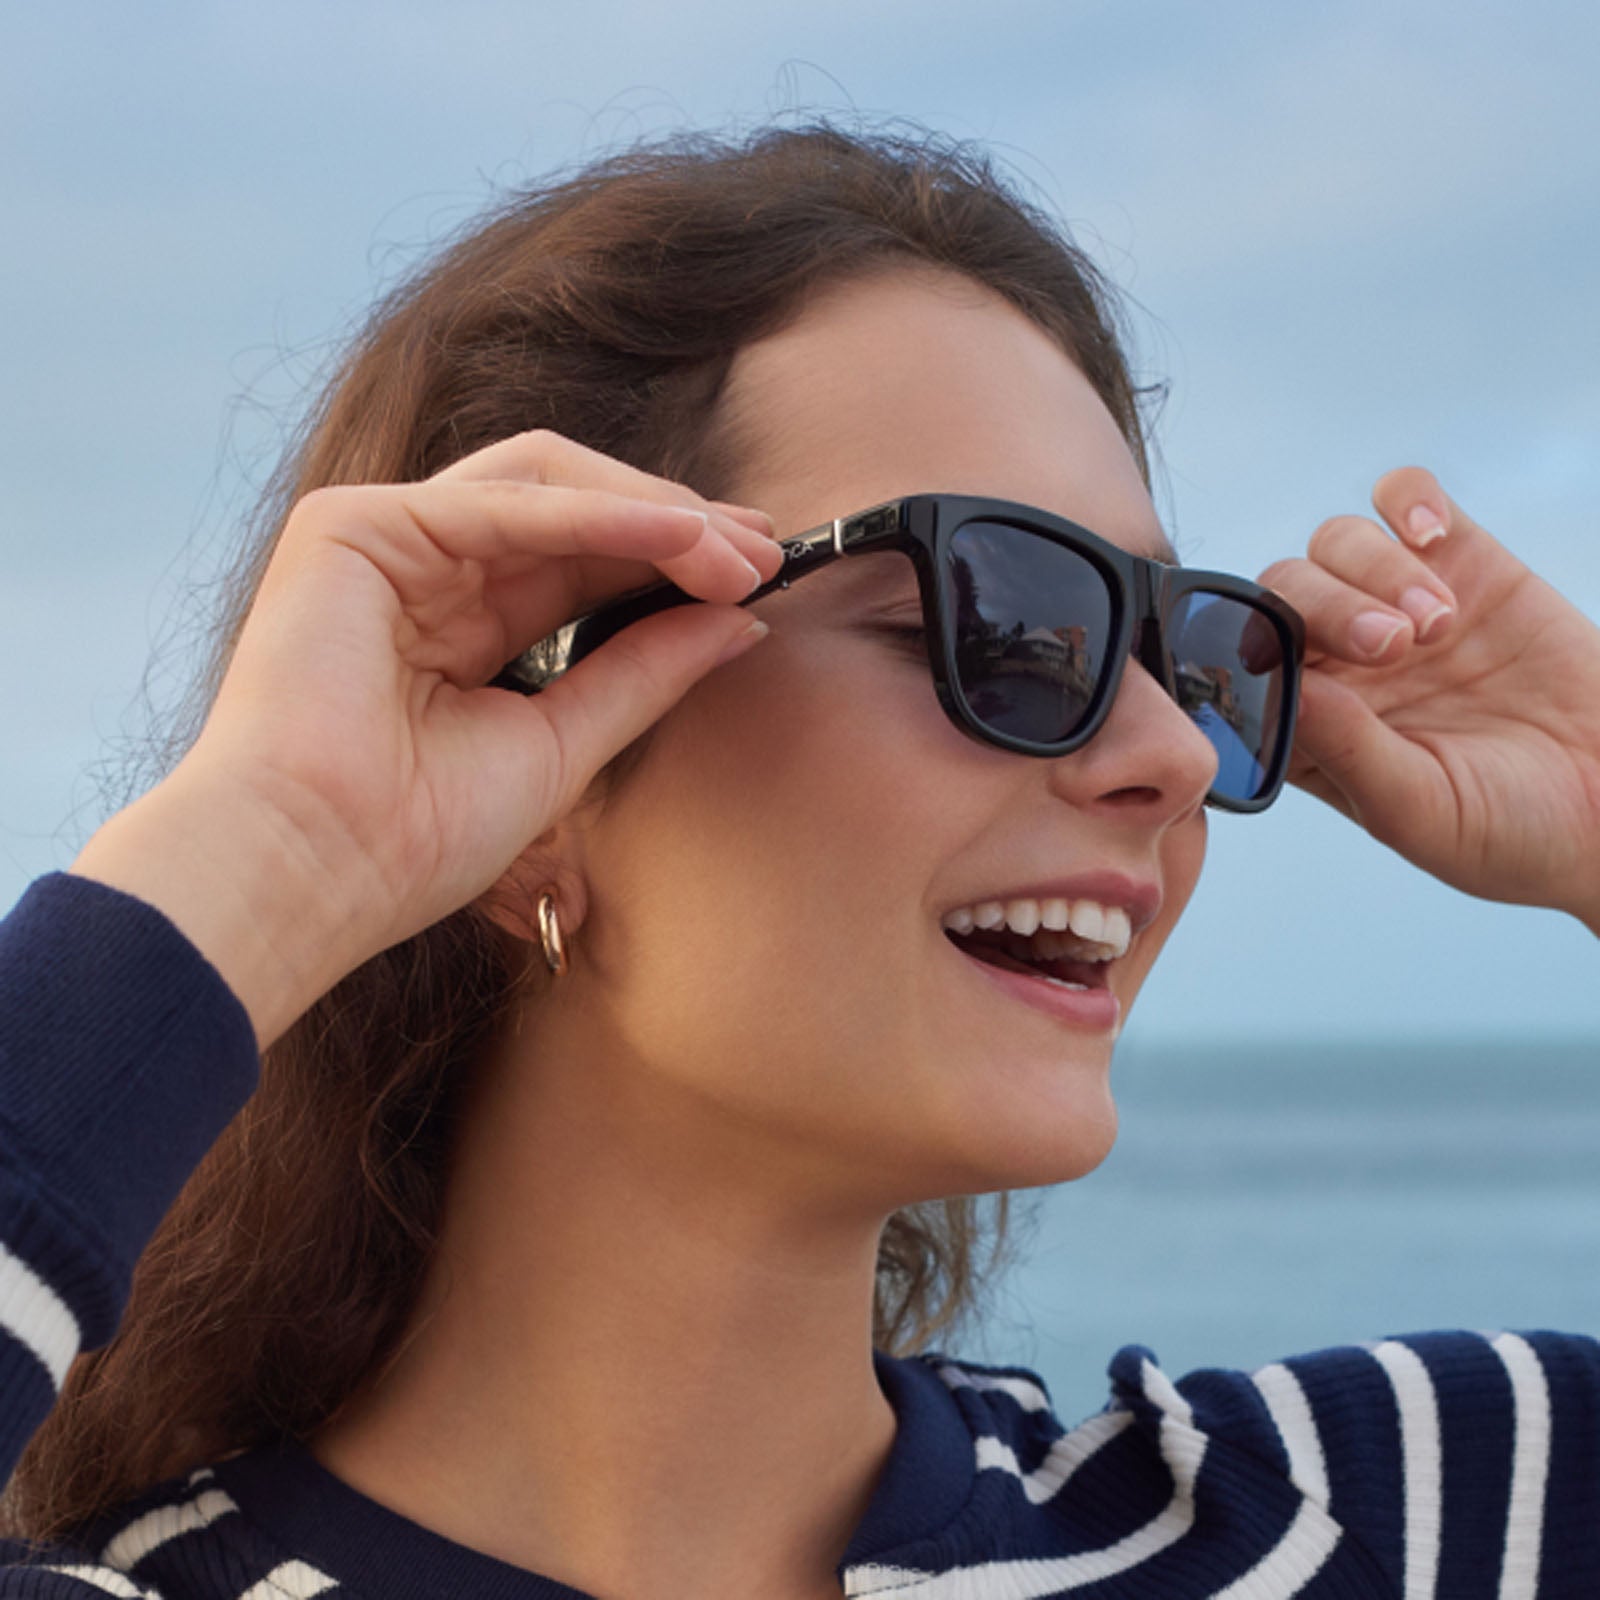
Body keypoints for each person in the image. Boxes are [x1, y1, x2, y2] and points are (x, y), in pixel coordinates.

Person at [1, 120, 1597, 1600]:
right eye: (1003, 627)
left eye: (1184, 653)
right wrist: (276, 844)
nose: (1175, 753)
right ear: (528, 769)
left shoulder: (1390, 1524)